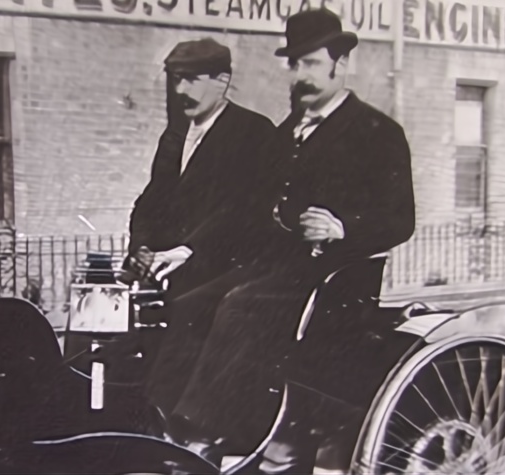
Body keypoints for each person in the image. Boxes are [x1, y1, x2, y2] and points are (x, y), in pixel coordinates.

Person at [159, 8, 417, 469]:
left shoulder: (377, 133)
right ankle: (181, 428)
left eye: (312, 64)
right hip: (276, 268)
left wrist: (344, 227)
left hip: (335, 278)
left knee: (242, 305)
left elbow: (401, 220)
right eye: (295, 66)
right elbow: (244, 209)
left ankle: (205, 434)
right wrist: (189, 248)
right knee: (190, 301)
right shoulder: (285, 133)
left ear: (341, 64)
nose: (301, 77)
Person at [122, 38, 278, 412]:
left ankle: (170, 430)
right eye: (176, 80)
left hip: (224, 269)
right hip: (170, 269)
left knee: (186, 328)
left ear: (222, 80)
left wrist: (188, 249)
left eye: (192, 80)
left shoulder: (253, 132)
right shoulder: (174, 135)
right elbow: (151, 200)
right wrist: (140, 246)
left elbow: (244, 210)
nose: (180, 91)